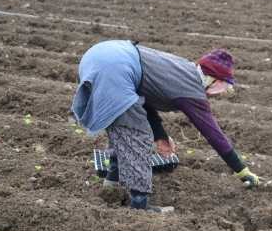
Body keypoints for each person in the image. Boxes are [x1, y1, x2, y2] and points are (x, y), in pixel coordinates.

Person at [71, 40, 260, 211]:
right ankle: (140, 204)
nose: (224, 90)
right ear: (215, 80)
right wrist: (242, 171)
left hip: (98, 55)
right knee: (136, 134)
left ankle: (111, 186)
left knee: (122, 124)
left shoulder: (183, 68)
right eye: (225, 85)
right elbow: (213, 134)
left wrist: (160, 136)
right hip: (115, 69)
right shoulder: (191, 90)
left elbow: (143, 99)